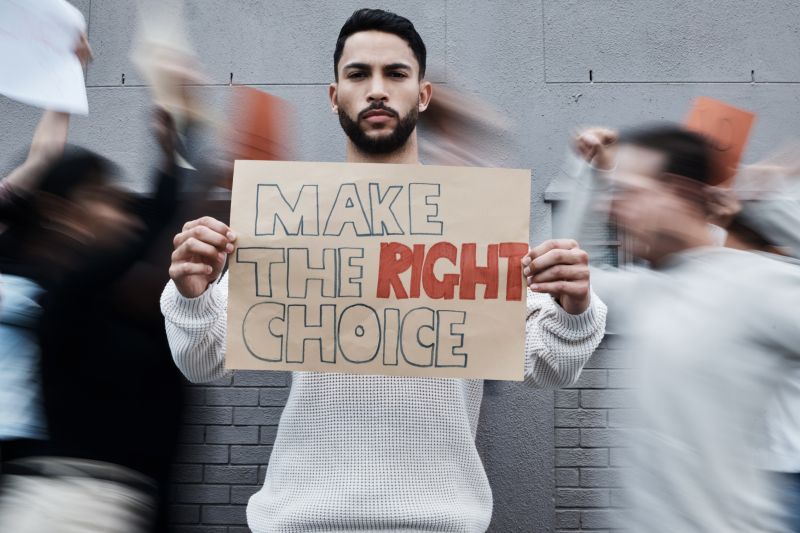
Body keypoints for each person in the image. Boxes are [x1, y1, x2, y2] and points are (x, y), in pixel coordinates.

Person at [161, 9, 607, 532]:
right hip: (303, 519)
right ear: (334, 97)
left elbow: (546, 365)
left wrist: (575, 309)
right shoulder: (292, 217)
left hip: (438, 522)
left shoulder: (471, 219)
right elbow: (203, 359)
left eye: (395, 74)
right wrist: (192, 296)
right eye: (358, 74)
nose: (377, 90)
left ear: (423, 95)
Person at [561, 124, 800, 532]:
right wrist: (588, 173)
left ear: (679, 192)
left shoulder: (758, 284)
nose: (611, 209)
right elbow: (553, 273)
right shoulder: (640, 292)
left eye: (628, 193)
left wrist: (775, 199)